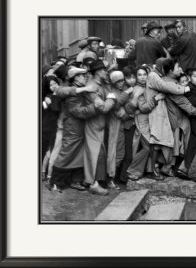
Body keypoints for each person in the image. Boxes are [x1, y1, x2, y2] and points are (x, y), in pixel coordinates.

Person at [49, 68, 96, 192]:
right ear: (75, 78)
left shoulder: (79, 91)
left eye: (85, 75)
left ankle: (75, 181)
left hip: (79, 129)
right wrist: (95, 106)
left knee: (79, 154)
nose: (85, 78)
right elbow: (79, 112)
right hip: (73, 129)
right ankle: (55, 182)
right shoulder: (71, 93)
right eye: (81, 76)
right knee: (67, 153)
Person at [144, 58, 192, 179]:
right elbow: (164, 86)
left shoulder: (157, 75)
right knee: (156, 142)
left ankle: (157, 169)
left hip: (160, 112)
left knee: (160, 143)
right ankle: (153, 171)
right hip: (156, 112)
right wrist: (184, 88)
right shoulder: (153, 75)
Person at [83, 60, 117, 195]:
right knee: (94, 154)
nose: (106, 72)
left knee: (99, 154)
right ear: (97, 72)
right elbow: (102, 107)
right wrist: (112, 99)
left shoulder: (99, 84)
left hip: (99, 125)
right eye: (104, 70)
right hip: (93, 125)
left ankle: (96, 181)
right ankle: (93, 184)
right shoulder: (92, 86)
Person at [106, 71, 133, 188]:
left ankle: (113, 178)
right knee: (115, 153)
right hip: (114, 125)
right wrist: (126, 93)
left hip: (122, 125)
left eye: (122, 80)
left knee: (120, 153)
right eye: (118, 82)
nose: (121, 83)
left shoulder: (124, 89)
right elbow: (116, 106)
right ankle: (110, 178)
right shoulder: (112, 92)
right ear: (113, 83)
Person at [41, 76, 61, 178]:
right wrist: (52, 98)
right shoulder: (48, 96)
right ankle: (44, 172)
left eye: (55, 83)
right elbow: (56, 109)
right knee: (48, 150)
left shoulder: (62, 94)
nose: (53, 86)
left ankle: (45, 171)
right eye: (51, 85)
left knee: (51, 150)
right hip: (49, 126)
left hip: (57, 126)